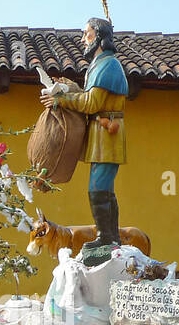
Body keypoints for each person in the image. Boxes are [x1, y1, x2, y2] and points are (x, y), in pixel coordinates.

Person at [39, 15, 128, 266]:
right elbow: (89, 96)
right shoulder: (99, 65)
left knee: (99, 189)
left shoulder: (109, 66)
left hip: (108, 132)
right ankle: (108, 237)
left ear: (99, 37)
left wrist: (61, 100)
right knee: (102, 189)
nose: (82, 39)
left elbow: (92, 103)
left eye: (86, 34)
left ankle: (108, 238)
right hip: (101, 133)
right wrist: (68, 89)